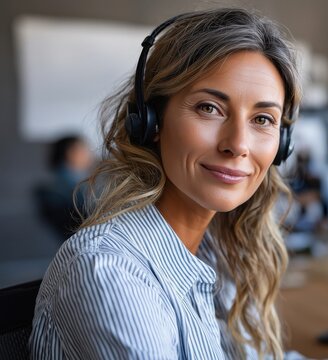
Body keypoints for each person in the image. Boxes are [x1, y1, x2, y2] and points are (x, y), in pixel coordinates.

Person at [30, 9, 302, 360]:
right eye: (209, 108)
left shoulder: (221, 251)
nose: (238, 144)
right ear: (152, 121)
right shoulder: (110, 273)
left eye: (263, 119)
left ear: (282, 144)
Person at [33, 135, 94, 240]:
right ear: (70, 153)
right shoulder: (73, 188)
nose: (90, 154)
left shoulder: (59, 184)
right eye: (84, 148)